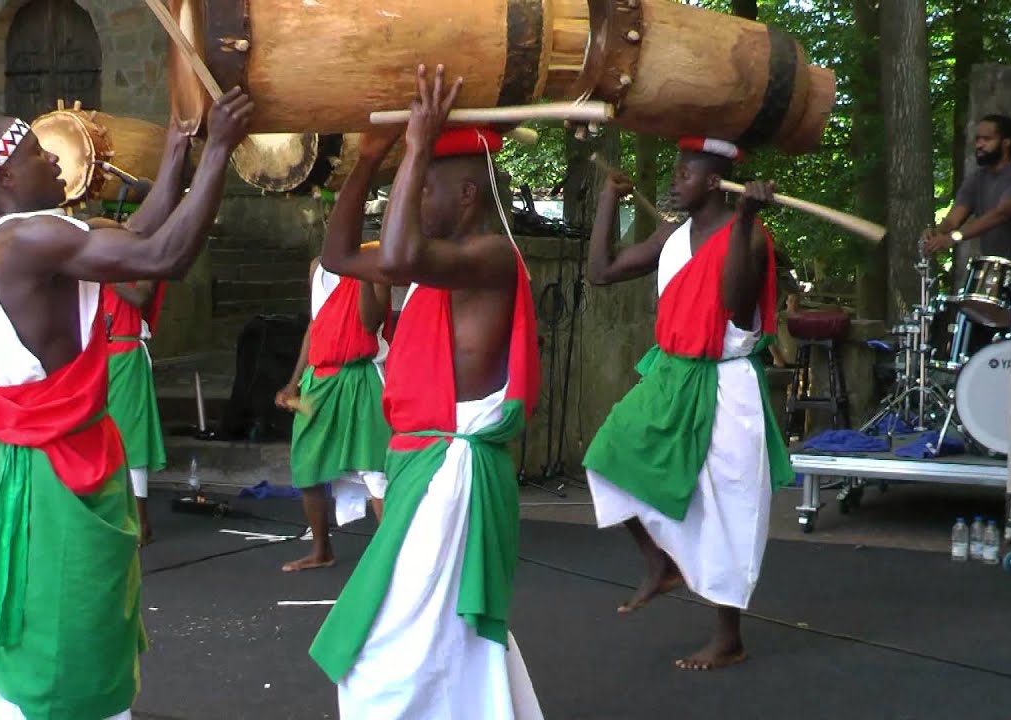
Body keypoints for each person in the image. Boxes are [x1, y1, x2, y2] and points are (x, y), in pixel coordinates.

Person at [0, 87, 252, 719]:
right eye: (39, 152)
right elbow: (162, 255)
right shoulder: (23, 242)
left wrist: (179, 149)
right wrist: (220, 150)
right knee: (65, 641)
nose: (57, 160)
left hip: (66, 455)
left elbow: (139, 230)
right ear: (5, 173)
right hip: (48, 470)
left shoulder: (43, 236)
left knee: (85, 631)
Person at [308, 65, 544, 718]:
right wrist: (370, 160)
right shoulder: (428, 268)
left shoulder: (492, 258)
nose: (407, 204)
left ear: (466, 194)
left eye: (422, 191)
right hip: (425, 467)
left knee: (387, 652)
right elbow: (335, 256)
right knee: (438, 641)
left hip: (452, 473)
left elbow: (401, 251)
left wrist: (416, 145)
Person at [581, 137, 794, 671]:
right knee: (609, 457)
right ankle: (660, 563)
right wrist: (609, 198)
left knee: (729, 503)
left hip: (726, 382)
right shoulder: (672, 236)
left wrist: (744, 221)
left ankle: (728, 637)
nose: (675, 181)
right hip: (671, 375)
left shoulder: (753, 237)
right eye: (675, 172)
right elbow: (601, 272)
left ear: (715, 182)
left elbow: (737, 304)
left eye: (686, 173)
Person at [274, 248, 392, 573]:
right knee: (306, 466)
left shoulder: (375, 264)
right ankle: (321, 550)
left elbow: (370, 321)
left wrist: (361, 273)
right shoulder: (317, 267)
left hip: (362, 376)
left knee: (374, 468)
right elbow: (315, 326)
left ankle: (392, 561)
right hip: (319, 377)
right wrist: (293, 382)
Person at [103, 279, 168, 547]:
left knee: (130, 437)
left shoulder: (139, 252)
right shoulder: (90, 248)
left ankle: (141, 521)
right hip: (93, 352)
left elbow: (142, 295)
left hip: (125, 351)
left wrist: (104, 271)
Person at [923, 114, 1011, 259]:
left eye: (987, 139)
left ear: (1006, 142)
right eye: (978, 139)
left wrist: (954, 237)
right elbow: (953, 219)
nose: (979, 145)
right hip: (993, 266)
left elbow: (1001, 213)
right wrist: (936, 232)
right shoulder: (977, 177)